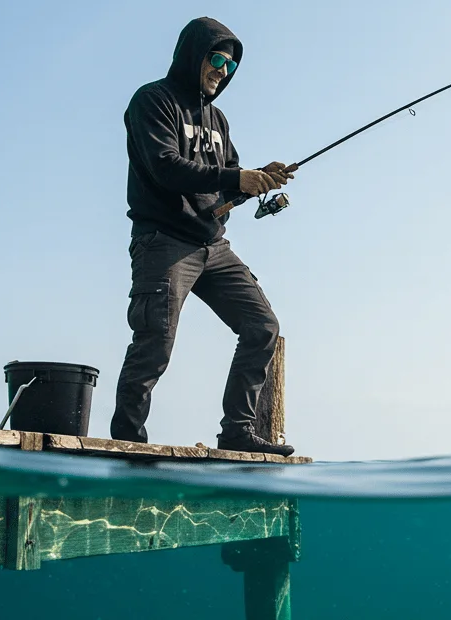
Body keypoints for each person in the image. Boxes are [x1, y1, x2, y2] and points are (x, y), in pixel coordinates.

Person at [111, 17, 297, 456]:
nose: (222, 71)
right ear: (193, 54)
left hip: (213, 245)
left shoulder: (218, 119)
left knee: (262, 326)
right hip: (163, 241)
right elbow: (166, 167)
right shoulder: (152, 101)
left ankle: (238, 430)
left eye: (230, 66)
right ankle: (128, 443)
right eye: (216, 59)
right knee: (155, 340)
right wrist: (238, 176)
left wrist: (260, 179)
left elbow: (226, 181)